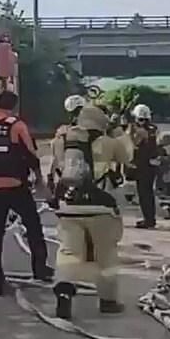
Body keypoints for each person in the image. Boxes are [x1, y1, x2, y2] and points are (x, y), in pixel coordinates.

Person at [0, 90, 53, 296]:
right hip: (14, 186)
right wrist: (41, 183)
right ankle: (40, 268)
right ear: (13, 106)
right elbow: (32, 156)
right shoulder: (16, 125)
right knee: (32, 225)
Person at [51, 104, 133, 318]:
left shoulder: (63, 140)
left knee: (69, 253)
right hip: (101, 207)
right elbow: (128, 157)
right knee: (105, 255)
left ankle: (64, 292)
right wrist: (119, 132)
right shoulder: (108, 142)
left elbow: (57, 161)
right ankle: (108, 300)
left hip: (69, 206)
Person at [129, 103, 161, 228]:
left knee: (144, 193)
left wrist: (131, 133)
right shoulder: (154, 129)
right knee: (148, 192)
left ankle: (148, 220)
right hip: (152, 163)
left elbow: (134, 145)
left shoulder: (140, 131)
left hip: (142, 165)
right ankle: (150, 218)